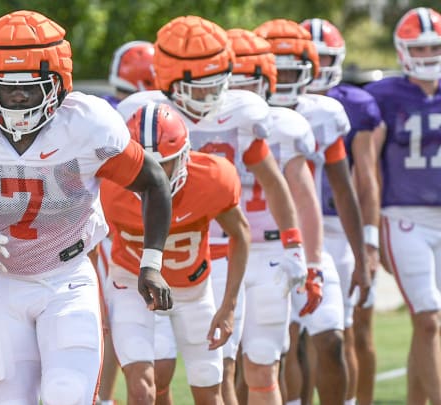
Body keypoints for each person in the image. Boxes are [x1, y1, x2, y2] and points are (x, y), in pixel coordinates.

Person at [0, 10, 173, 405]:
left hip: (68, 278)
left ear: (58, 86)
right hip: (4, 281)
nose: (19, 97)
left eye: (32, 87)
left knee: (67, 395)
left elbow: (154, 182)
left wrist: (152, 263)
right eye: (7, 88)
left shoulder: (86, 125)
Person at [117, 15, 313, 405]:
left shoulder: (241, 112)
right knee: (163, 366)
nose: (210, 99)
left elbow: (274, 182)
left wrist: (294, 245)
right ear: (169, 81)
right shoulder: (144, 116)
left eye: (216, 86)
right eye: (198, 89)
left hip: (222, 244)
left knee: (226, 368)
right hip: (166, 245)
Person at [101, 102, 250, 404]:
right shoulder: (107, 185)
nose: (153, 174)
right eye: (144, 163)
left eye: (164, 163)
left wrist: (229, 305)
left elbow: (241, 234)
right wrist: (100, 307)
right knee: (143, 387)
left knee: (209, 392)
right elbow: (89, 244)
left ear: (184, 155)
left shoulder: (211, 178)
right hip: (131, 287)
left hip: (193, 291)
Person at [256, 18, 371, 405]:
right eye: (278, 66)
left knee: (332, 339)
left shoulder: (325, 113)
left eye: (293, 67)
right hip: (264, 243)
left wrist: (361, 256)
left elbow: (343, 187)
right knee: (281, 347)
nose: (285, 76)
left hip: (314, 238)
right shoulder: (244, 112)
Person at [225, 27, 326, 405]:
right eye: (229, 84)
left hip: (268, 253)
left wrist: (311, 263)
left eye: (246, 85)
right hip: (219, 249)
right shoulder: (203, 124)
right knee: (218, 367)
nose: (236, 95)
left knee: (264, 365)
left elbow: (304, 199)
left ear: (265, 85)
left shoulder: (285, 125)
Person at [301, 17, 384, 405]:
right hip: (290, 226)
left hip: (337, 224)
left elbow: (365, 179)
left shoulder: (355, 104)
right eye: (309, 57)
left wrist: (368, 242)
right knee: (290, 337)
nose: (316, 65)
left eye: (324, 57)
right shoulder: (272, 102)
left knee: (342, 328)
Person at [364, 7, 441, 405]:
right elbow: (368, 163)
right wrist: (372, 229)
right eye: (420, 48)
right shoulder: (384, 95)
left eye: (434, 47)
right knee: (428, 318)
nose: (428, 55)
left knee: (430, 325)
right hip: (403, 216)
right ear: (403, 50)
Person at [97, 39, 158, 405]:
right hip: (110, 227)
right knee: (105, 322)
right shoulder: (128, 118)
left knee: (108, 321)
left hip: (109, 225)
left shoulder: (101, 111)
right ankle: (101, 398)